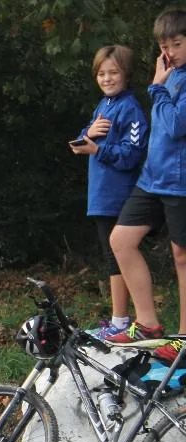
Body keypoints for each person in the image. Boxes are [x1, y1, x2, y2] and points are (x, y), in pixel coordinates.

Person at [107, 8, 186, 364]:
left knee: (182, 257)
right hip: (152, 178)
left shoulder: (169, 81)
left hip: (180, 181)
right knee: (121, 240)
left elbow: (176, 125)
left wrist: (156, 87)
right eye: (163, 45)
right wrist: (161, 84)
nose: (169, 52)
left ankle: (184, 338)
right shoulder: (170, 75)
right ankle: (148, 324)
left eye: (177, 44)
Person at [69, 45, 148, 341]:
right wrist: (86, 137)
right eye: (101, 73)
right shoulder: (104, 104)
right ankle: (119, 319)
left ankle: (122, 321)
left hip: (118, 195)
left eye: (113, 72)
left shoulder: (131, 108)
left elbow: (132, 155)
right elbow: (82, 139)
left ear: (126, 74)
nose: (107, 78)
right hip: (100, 196)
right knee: (110, 255)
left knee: (117, 256)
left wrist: (97, 149)